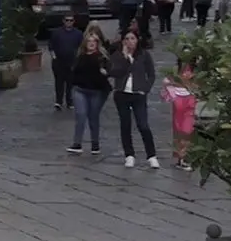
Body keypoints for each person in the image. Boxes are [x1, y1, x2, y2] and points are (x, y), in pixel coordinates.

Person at [109, 29, 160, 169]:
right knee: (125, 124)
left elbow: (151, 74)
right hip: (122, 93)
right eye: (127, 39)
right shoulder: (118, 55)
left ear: (137, 40)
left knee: (143, 125)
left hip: (138, 94)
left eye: (132, 38)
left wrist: (145, 89)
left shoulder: (144, 55)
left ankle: (151, 155)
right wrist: (125, 58)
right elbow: (113, 72)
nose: (130, 41)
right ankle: (129, 155)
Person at [68, 33, 110, 155]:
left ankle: (95, 144)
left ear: (97, 44)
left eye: (94, 41)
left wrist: (105, 72)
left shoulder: (101, 58)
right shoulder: (79, 56)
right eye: (89, 41)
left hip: (96, 91)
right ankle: (77, 143)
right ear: (85, 43)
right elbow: (73, 71)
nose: (91, 43)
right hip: (79, 89)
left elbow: (108, 71)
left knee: (93, 117)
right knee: (81, 114)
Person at [161, 59, 197, 171]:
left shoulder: (197, 69)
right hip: (178, 100)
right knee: (178, 129)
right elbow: (166, 80)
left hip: (190, 99)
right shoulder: (175, 70)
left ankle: (185, 156)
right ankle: (181, 157)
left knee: (187, 129)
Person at [47, 15, 82, 110]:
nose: (69, 22)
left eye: (71, 20)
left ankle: (69, 102)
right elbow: (51, 45)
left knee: (71, 83)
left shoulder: (78, 34)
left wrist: (78, 59)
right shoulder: (57, 32)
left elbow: (81, 47)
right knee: (59, 82)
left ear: (74, 21)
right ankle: (58, 101)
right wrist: (54, 57)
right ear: (63, 21)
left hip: (72, 62)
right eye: (67, 20)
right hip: (59, 61)